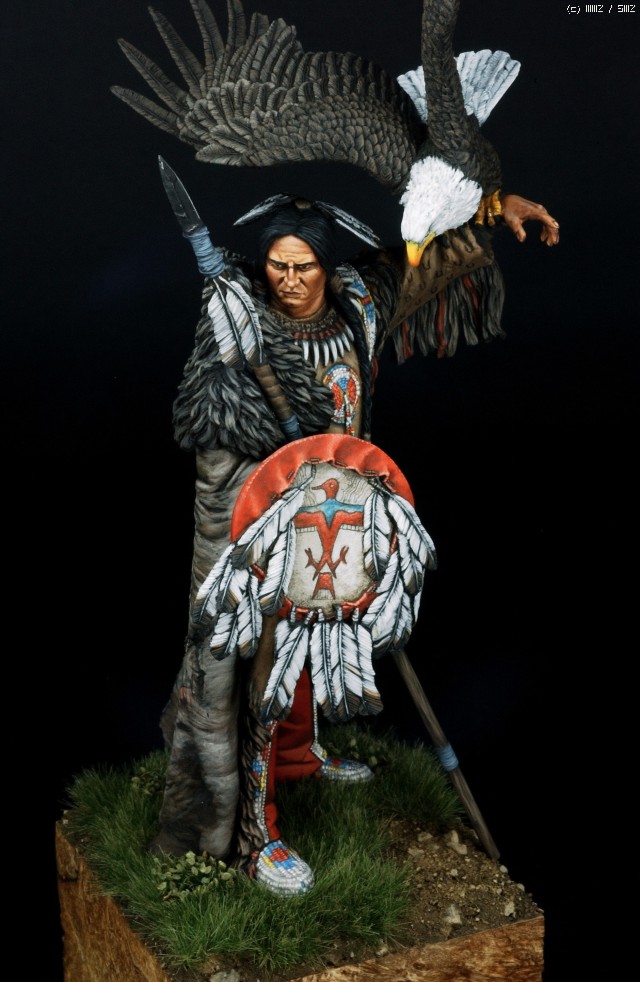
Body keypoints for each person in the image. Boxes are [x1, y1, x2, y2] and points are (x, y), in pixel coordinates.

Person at [151, 191, 559, 896]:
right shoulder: (237, 326)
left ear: (326, 264)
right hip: (268, 530)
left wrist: (492, 208)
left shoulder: (359, 304)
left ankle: (302, 757)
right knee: (259, 675)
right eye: (277, 266)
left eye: (304, 266)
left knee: (319, 642)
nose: (289, 280)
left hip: (342, 515)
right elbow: (215, 442)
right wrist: (269, 496)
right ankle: (255, 833)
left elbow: (424, 265)